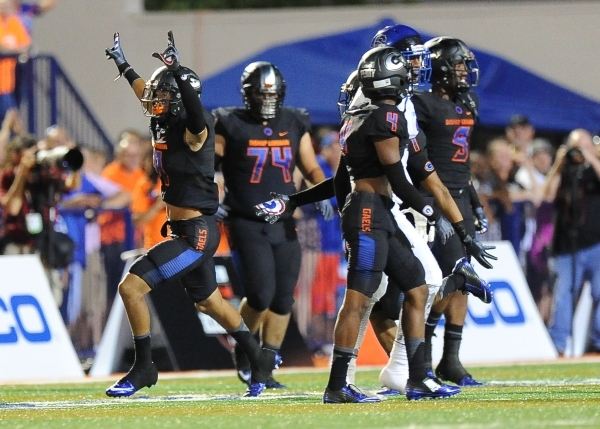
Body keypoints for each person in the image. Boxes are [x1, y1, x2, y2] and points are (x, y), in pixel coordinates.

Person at [103, 30, 280, 398]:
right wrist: (124, 64)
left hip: (196, 232)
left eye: (164, 95)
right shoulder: (163, 119)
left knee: (131, 286)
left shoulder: (195, 127)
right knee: (210, 302)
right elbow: (144, 92)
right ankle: (258, 360)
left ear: (181, 97)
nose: (155, 100)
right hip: (185, 228)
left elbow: (194, 112)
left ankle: (144, 367)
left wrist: (180, 73)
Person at [212, 61, 332, 389]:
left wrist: (321, 192)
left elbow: (310, 166)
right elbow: (208, 166)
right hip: (245, 219)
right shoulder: (230, 121)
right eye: (260, 95)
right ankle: (244, 347)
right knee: (260, 294)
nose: (267, 101)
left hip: (283, 220)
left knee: (282, 299)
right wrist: (211, 201)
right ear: (247, 94)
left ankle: (266, 364)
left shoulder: (294, 120)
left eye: (272, 95)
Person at [412, 36, 491, 386]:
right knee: (450, 277)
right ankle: (425, 354)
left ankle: (451, 360)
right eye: (458, 65)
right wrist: (425, 201)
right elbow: (418, 159)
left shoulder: (468, 101)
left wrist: (474, 201)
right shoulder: (422, 104)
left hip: (460, 196)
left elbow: (464, 164)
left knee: (463, 282)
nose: (463, 72)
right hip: (435, 197)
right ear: (441, 67)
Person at [544, 129, 600, 356]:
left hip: (597, 243)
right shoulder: (564, 173)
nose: (580, 152)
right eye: (577, 146)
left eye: (585, 145)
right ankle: (558, 346)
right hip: (566, 246)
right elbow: (545, 196)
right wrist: (558, 164)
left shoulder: (594, 170)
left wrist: (592, 159)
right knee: (564, 295)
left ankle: (597, 344)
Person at [0, 0, 31, 122]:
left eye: (8, 5)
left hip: (10, 78)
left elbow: (26, 44)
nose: (5, 8)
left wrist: (13, 50)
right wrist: (15, 50)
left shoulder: (14, 21)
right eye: (2, 6)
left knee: (12, 114)